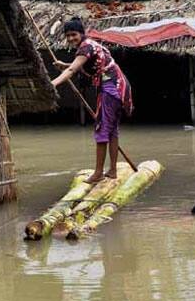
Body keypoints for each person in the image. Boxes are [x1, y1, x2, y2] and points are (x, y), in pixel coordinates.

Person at [51, 17, 133, 183]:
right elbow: (83, 64)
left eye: (73, 34)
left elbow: (75, 68)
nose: (71, 38)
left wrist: (52, 84)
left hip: (110, 89)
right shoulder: (91, 45)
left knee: (102, 129)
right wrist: (65, 65)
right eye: (68, 36)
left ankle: (98, 174)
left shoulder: (86, 47)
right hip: (119, 88)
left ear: (81, 33)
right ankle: (112, 170)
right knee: (112, 130)